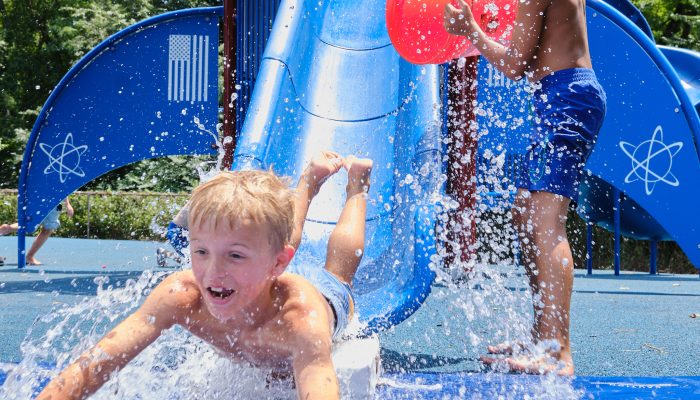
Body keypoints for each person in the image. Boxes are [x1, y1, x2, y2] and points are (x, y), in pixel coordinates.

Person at [37, 151, 374, 400]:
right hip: (266, 267)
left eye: (234, 255)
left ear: (278, 266)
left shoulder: (301, 318)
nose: (213, 272)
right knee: (272, 237)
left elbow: (316, 379)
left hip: (323, 295)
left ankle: (357, 185)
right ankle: (308, 182)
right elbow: (95, 363)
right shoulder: (183, 295)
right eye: (200, 252)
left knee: (339, 272)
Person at [444, 0, 606, 375]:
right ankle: (542, 335)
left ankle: (556, 351)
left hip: (567, 99)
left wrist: (472, 31)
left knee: (547, 221)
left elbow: (515, 65)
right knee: (524, 213)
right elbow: (532, 56)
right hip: (561, 97)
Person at [0, 197, 74, 265]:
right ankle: (29, 257)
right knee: (47, 229)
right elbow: (63, 186)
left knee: (29, 224)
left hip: (37, 199)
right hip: (53, 203)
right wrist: (67, 204)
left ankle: (8, 228)